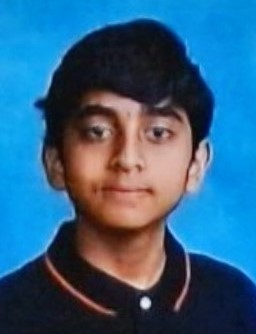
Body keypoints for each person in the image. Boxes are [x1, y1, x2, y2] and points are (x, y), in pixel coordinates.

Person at [0, 18, 255, 334]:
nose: (127, 159)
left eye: (158, 133)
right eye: (98, 132)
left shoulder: (235, 304)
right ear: (55, 161)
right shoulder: (10, 313)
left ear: (196, 165)